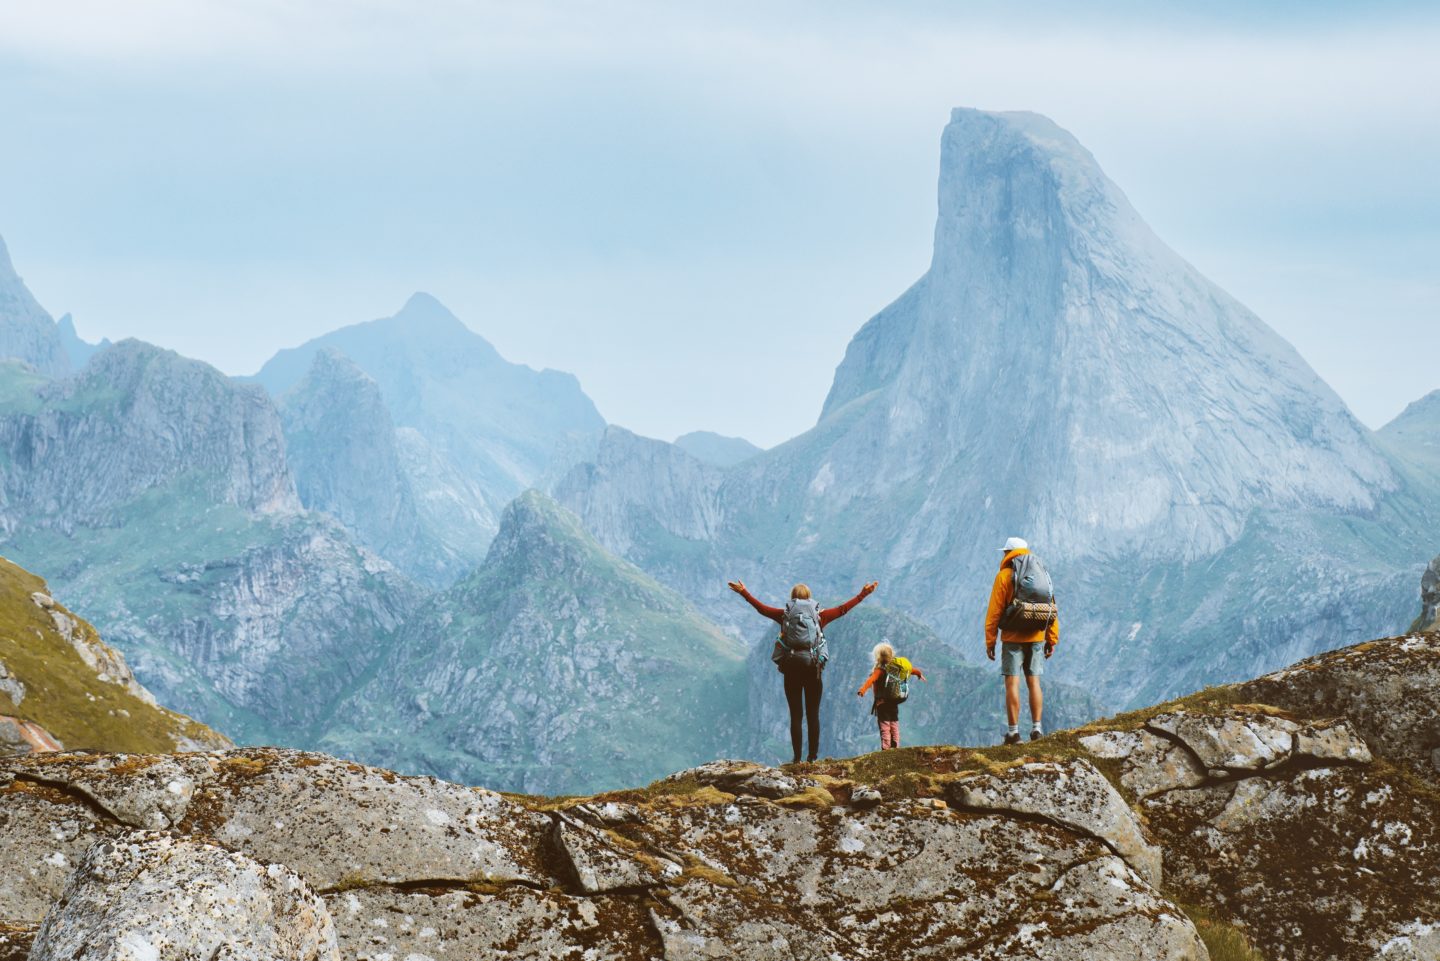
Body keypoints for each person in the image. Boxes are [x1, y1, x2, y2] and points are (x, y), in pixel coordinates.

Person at [728, 579, 877, 763]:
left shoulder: (785, 616)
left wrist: (744, 592)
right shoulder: (819, 617)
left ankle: (797, 758)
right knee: (813, 714)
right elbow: (843, 609)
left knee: (796, 715)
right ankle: (812, 757)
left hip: (791, 669)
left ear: (792, 599)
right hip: (813, 669)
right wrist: (864, 594)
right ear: (809, 598)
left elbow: (762, 609)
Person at [984, 536, 1058, 745]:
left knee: (1012, 682)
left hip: (1012, 637)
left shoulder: (1004, 576)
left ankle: (1014, 733)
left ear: (1008, 553)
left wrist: (990, 641)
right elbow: (1051, 606)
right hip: (1037, 635)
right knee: (1034, 682)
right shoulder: (1041, 573)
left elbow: (994, 612)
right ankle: (1036, 729)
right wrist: (1051, 639)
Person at [856, 642, 927, 750]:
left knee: (884, 725)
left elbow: (870, 680)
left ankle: (886, 748)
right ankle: (896, 746)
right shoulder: (896, 669)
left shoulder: (879, 671)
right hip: (894, 701)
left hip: (882, 703)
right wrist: (919, 674)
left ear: (878, 657)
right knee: (894, 723)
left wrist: (862, 690)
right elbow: (911, 670)